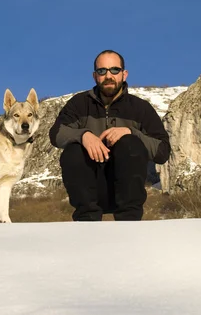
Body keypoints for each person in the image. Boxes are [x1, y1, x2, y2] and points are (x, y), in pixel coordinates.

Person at [49, 50, 170, 221]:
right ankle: (86, 222)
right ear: (94, 76)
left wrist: (131, 132)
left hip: (127, 190)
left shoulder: (140, 108)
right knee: (73, 150)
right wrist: (84, 135)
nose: (108, 76)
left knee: (130, 144)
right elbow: (56, 134)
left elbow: (163, 151)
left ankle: (129, 222)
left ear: (124, 74)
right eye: (102, 71)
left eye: (114, 70)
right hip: (90, 190)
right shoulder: (79, 104)